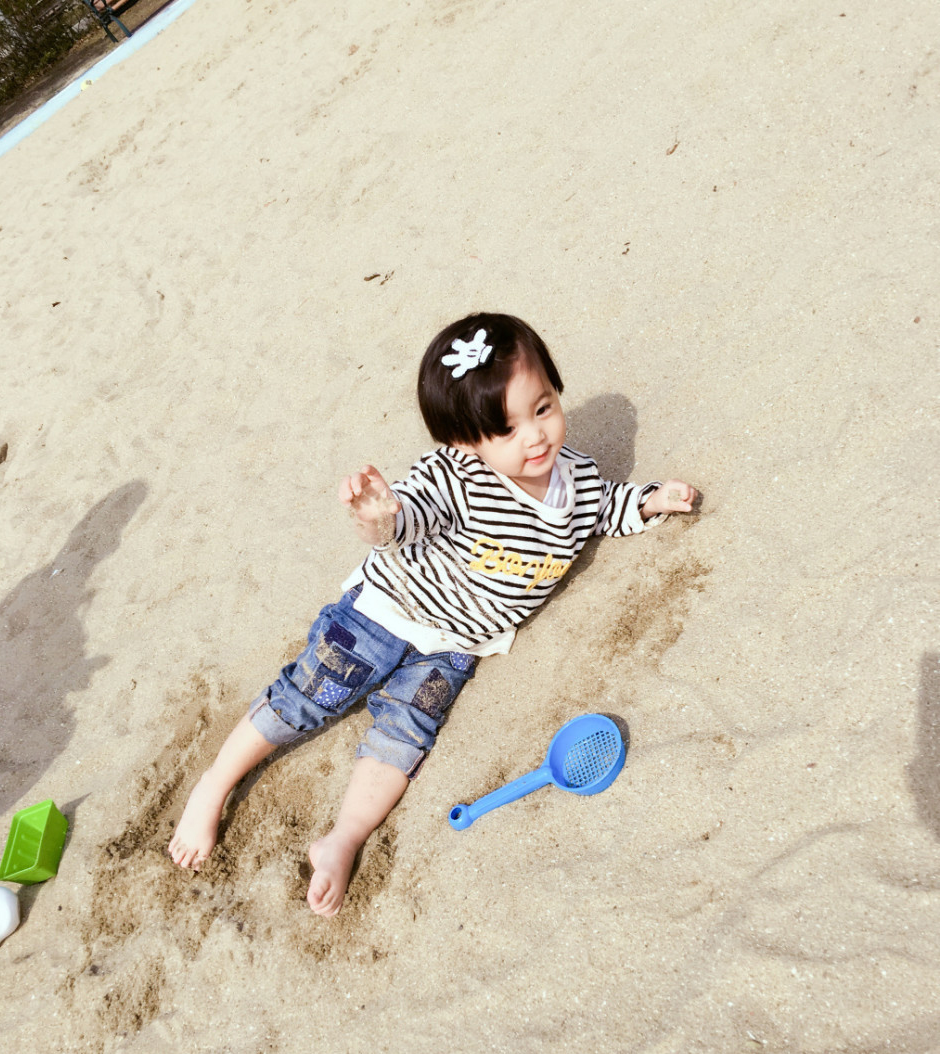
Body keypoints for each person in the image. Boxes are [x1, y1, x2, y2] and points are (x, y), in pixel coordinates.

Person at [168, 313, 697, 916]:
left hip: (454, 646)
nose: (535, 438)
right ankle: (214, 785)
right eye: (506, 429)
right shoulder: (454, 478)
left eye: (543, 407)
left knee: (404, 735)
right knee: (306, 695)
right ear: (465, 443)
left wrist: (649, 501)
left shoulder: (572, 475)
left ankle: (342, 839)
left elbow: (601, 506)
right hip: (383, 612)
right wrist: (379, 519)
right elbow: (410, 513)